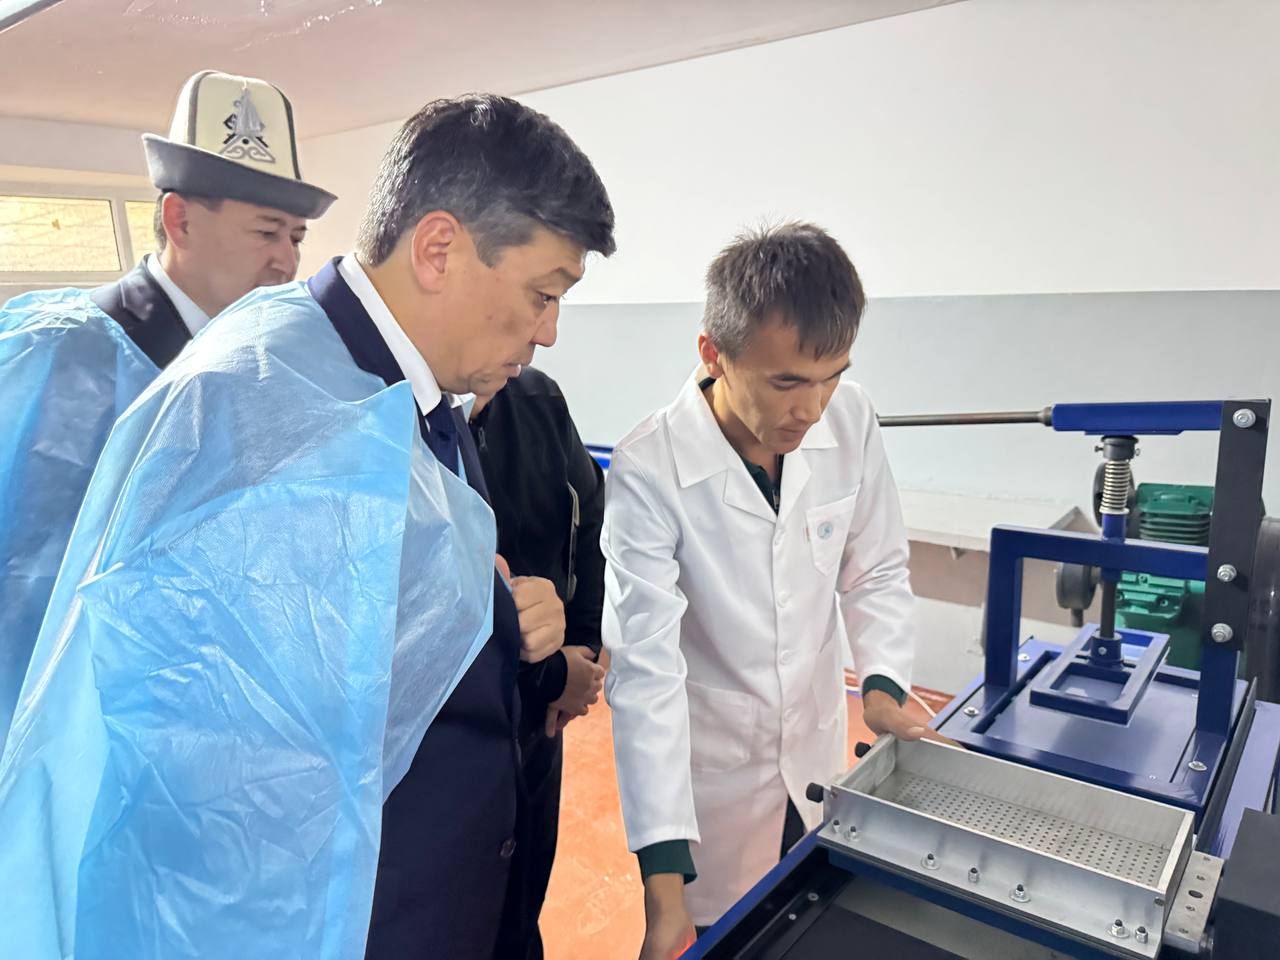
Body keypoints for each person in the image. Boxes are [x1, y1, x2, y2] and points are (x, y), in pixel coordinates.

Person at [0, 94, 614, 960]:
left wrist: (502, 622)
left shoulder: (411, 393)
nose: (548, 331)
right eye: (542, 294)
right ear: (439, 248)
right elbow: (213, 780)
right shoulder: (255, 402)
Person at [602, 223, 931, 958]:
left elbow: (875, 566)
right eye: (786, 383)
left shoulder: (850, 418)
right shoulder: (649, 468)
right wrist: (662, 889)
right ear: (713, 354)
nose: (812, 408)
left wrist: (882, 685)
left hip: (816, 752)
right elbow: (646, 672)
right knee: (729, 937)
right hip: (711, 792)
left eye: (831, 375)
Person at [0, 69, 333, 747]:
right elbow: (26, 579)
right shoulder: (66, 352)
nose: (287, 262)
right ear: (180, 219)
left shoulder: (260, 362)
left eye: (296, 238)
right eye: (267, 232)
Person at [467, 364, 608, 959]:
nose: (545, 331)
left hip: (540, 729)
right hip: (461, 746)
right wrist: (556, 677)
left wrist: (584, 652)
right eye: (535, 310)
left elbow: (591, 522)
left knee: (522, 910)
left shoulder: (538, 399)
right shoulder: (404, 422)